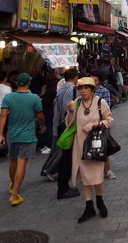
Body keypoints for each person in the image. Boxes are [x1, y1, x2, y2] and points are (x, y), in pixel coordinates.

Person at [66, 77, 114, 223]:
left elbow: (109, 120)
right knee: (84, 177)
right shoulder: (77, 103)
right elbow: (69, 124)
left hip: (95, 145)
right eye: (80, 88)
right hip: (80, 145)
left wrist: (94, 124)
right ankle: (89, 206)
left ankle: (99, 200)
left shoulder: (100, 102)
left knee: (97, 175)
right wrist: (70, 112)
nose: (83, 91)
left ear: (92, 89)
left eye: (86, 88)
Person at [0, 73, 45, 206]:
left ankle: (13, 185)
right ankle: (14, 194)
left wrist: (0, 134)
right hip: (27, 135)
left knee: (12, 161)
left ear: (17, 83)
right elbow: (40, 115)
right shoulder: (34, 98)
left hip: (12, 135)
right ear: (28, 83)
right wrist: (42, 125)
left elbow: (3, 116)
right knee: (21, 163)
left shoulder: (9, 97)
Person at [53, 68, 81, 199]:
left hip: (61, 125)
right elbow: (69, 110)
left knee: (66, 156)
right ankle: (63, 189)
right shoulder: (72, 90)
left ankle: (64, 186)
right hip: (68, 126)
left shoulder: (61, 89)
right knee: (67, 158)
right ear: (75, 77)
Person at [92, 70, 116, 180]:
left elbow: (107, 108)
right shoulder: (87, 91)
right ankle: (92, 169)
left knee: (103, 146)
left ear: (99, 81)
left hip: (101, 124)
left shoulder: (104, 91)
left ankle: (106, 169)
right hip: (89, 124)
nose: (93, 82)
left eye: (95, 80)